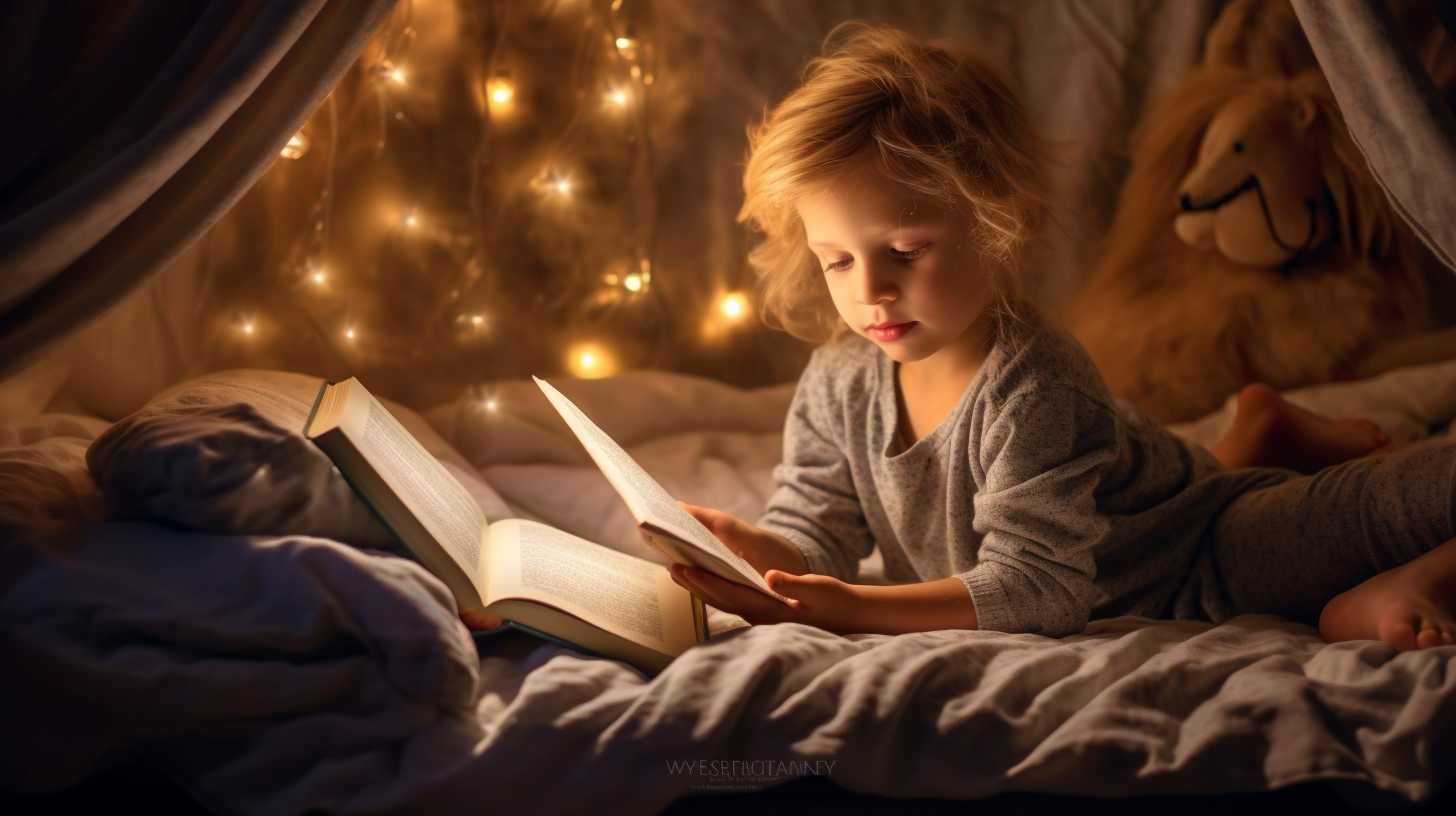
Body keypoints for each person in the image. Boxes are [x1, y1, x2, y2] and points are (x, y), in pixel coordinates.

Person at [667, 24, 1456, 652]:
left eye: (906, 251)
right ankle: (1255, 431)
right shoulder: (837, 383)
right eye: (835, 260)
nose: (868, 290)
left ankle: (1410, 572)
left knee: (1411, 502)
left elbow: (1038, 589)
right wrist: (761, 548)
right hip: (1133, 513)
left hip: (1203, 547)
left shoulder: (1037, 383)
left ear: (1005, 224)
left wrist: (855, 611)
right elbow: (819, 529)